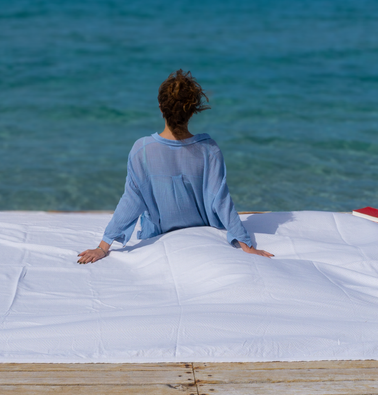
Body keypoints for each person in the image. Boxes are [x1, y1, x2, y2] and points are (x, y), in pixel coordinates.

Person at [78, 70, 273, 264]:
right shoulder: (209, 149)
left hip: (159, 236)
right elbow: (221, 200)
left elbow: (132, 200)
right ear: (193, 110)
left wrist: (103, 247)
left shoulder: (142, 150)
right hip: (202, 232)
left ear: (161, 108)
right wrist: (246, 244)